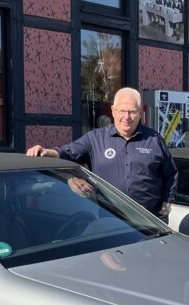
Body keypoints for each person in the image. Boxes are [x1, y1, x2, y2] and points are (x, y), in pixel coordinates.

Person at [26, 87, 177, 218]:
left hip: (151, 219)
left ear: (140, 113)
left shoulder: (154, 140)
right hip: (111, 219)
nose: (126, 117)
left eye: (132, 111)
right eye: (122, 110)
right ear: (113, 111)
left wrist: (167, 199)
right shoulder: (95, 139)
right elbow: (67, 153)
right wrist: (46, 152)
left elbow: (171, 173)